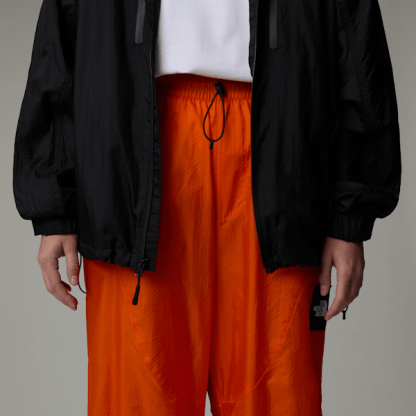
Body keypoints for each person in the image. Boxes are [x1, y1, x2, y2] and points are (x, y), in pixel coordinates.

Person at [12, 0, 401, 415]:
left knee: (277, 397)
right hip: (132, 148)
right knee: (137, 400)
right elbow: (63, 26)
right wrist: (54, 203)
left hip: (282, 148)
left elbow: (356, 30)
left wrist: (350, 213)